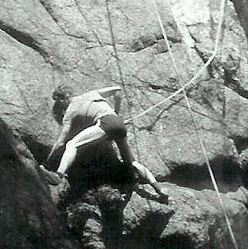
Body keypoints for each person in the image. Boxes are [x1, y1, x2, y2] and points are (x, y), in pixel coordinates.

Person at [40, 84, 168, 202]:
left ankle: (58, 175)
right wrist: (116, 111)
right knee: (132, 162)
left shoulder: (70, 110)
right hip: (119, 123)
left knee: (72, 144)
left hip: (105, 123)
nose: (60, 107)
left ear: (62, 99)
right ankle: (159, 189)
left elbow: (61, 141)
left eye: (59, 103)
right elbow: (117, 90)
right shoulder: (91, 93)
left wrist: (49, 160)